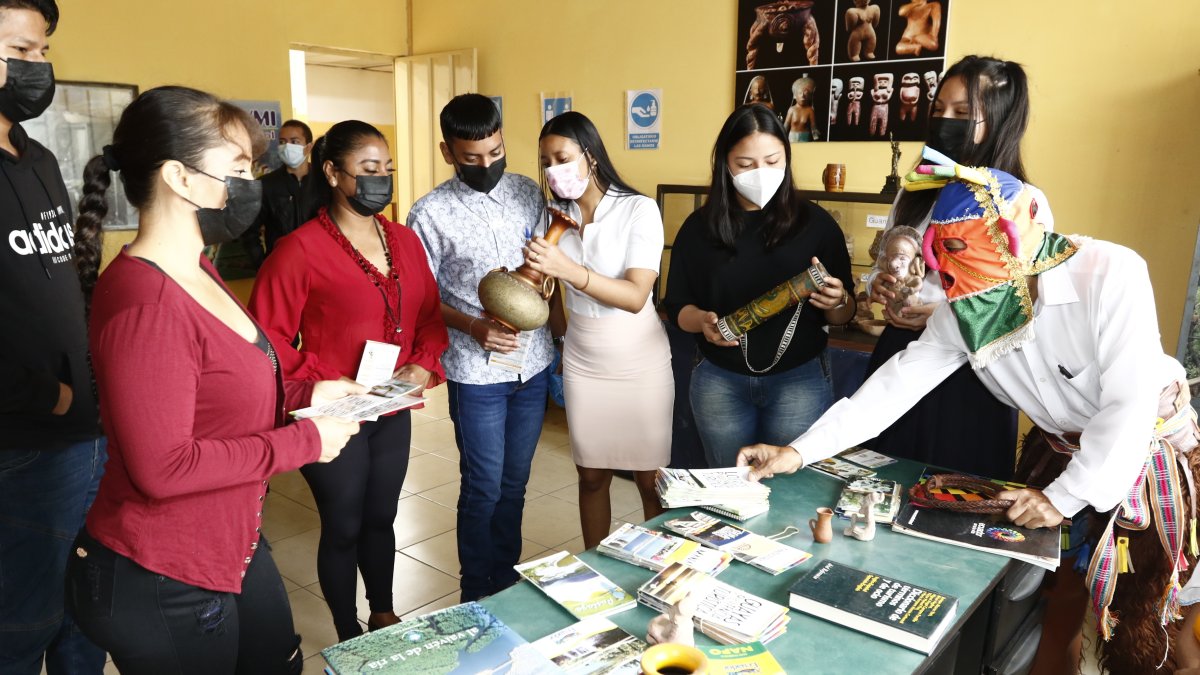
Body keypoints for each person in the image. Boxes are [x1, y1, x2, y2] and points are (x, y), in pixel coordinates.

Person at [737, 160, 1200, 675]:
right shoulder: (965, 304)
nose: (967, 293)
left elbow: (1129, 405)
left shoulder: (1110, 272)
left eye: (969, 262)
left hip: (1146, 448)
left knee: (1145, 613)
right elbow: (894, 386)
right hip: (1060, 449)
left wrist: (1063, 497)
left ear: (1024, 229)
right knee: (1051, 593)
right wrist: (797, 451)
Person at [63, 86, 362, 675]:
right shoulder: (146, 300)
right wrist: (306, 441)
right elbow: (163, 467)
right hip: (163, 572)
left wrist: (308, 393)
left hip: (232, 541)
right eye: (239, 170)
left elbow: (228, 378)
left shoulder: (197, 268)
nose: (251, 186)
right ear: (179, 176)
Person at [248, 120, 449, 641]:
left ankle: (382, 611)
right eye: (367, 170)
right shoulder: (299, 250)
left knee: (381, 517)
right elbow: (264, 343)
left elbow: (429, 315)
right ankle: (346, 630)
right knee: (343, 526)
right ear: (333, 173)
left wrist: (423, 362)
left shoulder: (404, 240)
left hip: (391, 405)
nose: (381, 180)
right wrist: (323, 380)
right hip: (332, 412)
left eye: (387, 170)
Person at [863, 56, 1051, 482]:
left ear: (1000, 121)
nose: (945, 121)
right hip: (901, 354)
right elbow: (886, 264)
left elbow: (1024, 305)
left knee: (958, 495)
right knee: (881, 480)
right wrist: (882, 286)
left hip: (973, 373)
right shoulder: (918, 190)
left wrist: (943, 316)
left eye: (963, 113)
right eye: (939, 109)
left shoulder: (1022, 201)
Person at [408, 93, 552, 601]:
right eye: (472, 158)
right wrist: (472, 325)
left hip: (532, 365)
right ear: (449, 153)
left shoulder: (527, 193)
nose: (487, 165)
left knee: (515, 484)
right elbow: (422, 298)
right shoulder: (428, 213)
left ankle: (505, 581)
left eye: (495, 153)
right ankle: (475, 589)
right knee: (484, 485)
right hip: (475, 372)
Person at [0, 2, 107, 673]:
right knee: (21, 622)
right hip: (25, 439)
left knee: (85, 610)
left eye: (42, 52)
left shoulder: (35, 157)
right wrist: (52, 397)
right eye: (20, 50)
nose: (37, 68)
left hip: (83, 430)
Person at [662, 103, 855, 469]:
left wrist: (837, 298)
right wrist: (702, 320)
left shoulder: (815, 223)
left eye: (772, 161)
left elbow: (844, 312)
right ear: (724, 163)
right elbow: (678, 307)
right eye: (745, 165)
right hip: (719, 380)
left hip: (800, 380)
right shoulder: (698, 228)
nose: (761, 173)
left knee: (791, 488)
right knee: (729, 486)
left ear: (787, 157)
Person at [523, 111, 673, 549]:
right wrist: (558, 336)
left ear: (589, 155)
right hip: (583, 359)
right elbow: (548, 291)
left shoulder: (637, 209)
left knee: (650, 479)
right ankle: (596, 569)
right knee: (590, 476)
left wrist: (570, 269)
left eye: (562, 157)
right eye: (546, 160)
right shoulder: (553, 215)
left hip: (639, 362)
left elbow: (634, 296)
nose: (553, 170)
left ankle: (661, 570)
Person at [241, 118, 312, 268]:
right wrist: (263, 265)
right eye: (282, 142)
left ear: (308, 147)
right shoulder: (266, 184)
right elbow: (249, 231)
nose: (287, 147)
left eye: (294, 141)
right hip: (282, 268)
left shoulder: (324, 183)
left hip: (319, 267)